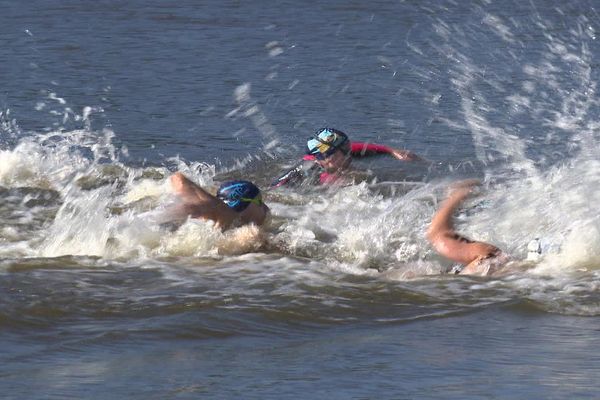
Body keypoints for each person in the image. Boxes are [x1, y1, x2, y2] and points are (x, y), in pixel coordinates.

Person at [271, 127, 422, 187]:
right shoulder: (316, 169)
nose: (324, 159)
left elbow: (360, 147)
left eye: (347, 147)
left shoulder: (345, 152)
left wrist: (390, 151)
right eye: (320, 155)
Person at [426, 179, 511, 276]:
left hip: (489, 260)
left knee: (436, 235)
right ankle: (459, 193)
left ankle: (459, 193)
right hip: (490, 260)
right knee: (436, 235)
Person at [169, 172, 269, 230]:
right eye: (259, 200)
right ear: (243, 204)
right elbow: (178, 178)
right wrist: (209, 203)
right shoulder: (226, 213)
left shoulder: (227, 220)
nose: (265, 207)